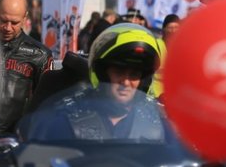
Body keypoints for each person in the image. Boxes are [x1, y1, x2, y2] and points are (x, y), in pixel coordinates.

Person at [25, 23, 167, 141]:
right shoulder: (68, 120)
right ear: (102, 73)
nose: (125, 82)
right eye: (118, 72)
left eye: (134, 75)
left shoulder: (155, 124)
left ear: (144, 80)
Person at [0, 0, 53, 135]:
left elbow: (48, 102)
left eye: (14, 23)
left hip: (15, 138)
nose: (8, 27)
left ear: (24, 18)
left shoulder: (39, 54)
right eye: (3, 20)